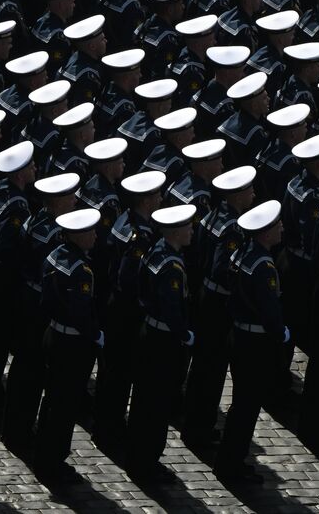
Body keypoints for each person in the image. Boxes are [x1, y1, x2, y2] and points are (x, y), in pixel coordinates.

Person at [213, 199, 287, 484]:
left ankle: (229, 460)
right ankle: (232, 465)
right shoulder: (264, 265)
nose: (281, 227)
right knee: (246, 406)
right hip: (255, 342)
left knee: (240, 404)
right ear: (266, 231)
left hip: (239, 334)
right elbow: (270, 310)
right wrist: (281, 333)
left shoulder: (244, 254)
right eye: (277, 225)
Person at [32, 208, 104, 485]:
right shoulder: (81, 269)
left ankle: (43, 456)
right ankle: (53, 463)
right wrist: (95, 334)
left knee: (51, 401)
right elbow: (80, 312)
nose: (95, 236)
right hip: (73, 343)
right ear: (79, 234)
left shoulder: (54, 255)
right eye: (91, 232)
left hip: (53, 333)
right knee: (64, 406)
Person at [126, 203, 197, 483]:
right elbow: (172, 307)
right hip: (164, 339)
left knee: (144, 399)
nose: (192, 231)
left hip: (149, 331)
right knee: (157, 403)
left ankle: (137, 456)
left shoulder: (156, 251)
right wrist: (185, 334)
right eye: (188, 227)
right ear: (177, 231)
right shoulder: (171, 266)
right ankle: (147, 462)